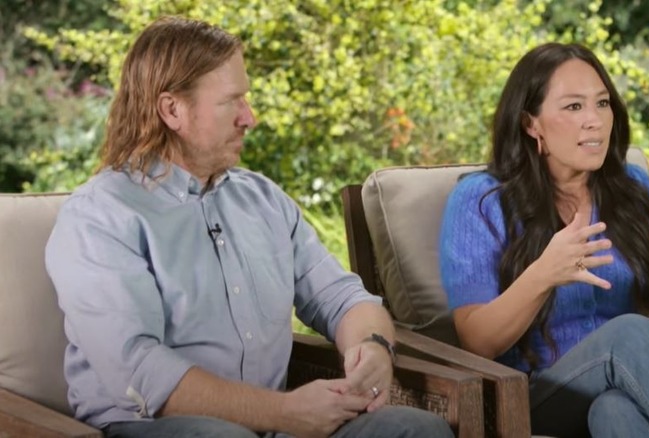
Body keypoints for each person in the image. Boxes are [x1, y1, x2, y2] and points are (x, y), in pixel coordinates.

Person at [45, 16, 453, 438]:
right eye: (231, 101)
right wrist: (283, 412)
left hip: (272, 424)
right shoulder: (100, 216)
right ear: (172, 109)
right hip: (149, 426)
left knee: (415, 429)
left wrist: (374, 347)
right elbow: (141, 370)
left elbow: (343, 297)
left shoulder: (262, 199)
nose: (249, 118)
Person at [439, 42, 649, 438]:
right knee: (630, 332)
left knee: (616, 414)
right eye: (573, 107)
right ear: (531, 123)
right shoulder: (482, 201)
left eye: (602, 104)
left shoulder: (632, 187)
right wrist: (544, 274)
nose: (595, 121)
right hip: (533, 397)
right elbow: (477, 341)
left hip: (620, 385)